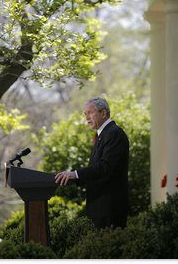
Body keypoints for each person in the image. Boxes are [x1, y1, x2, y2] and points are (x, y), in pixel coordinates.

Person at [55, 97, 129, 229]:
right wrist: (71, 179)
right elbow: (95, 170)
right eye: (85, 114)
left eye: (90, 113)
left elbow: (104, 167)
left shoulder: (114, 133)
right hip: (99, 207)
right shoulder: (103, 135)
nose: (87, 117)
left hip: (109, 208)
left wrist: (76, 174)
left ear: (104, 113)